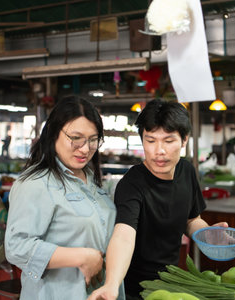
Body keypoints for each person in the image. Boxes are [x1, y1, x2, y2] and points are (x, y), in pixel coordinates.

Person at [88, 99, 227, 300]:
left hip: (171, 282)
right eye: (150, 140)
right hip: (137, 288)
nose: (158, 151)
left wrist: (209, 234)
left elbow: (191, 220)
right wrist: (111, 284)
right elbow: (124, 235)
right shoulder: (132, 183)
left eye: (168, 141)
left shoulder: (186, 171)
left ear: (184, 140)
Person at [4, 96, 125, 300]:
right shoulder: (36, 184)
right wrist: (82, 257)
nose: (85, 148)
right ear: (53, 134)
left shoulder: (89, 180)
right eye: (76, 138)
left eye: (93, 140)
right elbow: (16, 246)